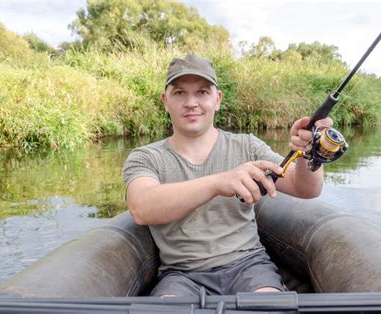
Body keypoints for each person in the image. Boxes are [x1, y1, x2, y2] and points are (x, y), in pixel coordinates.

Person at [123, 54, 332, 297]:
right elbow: (142, 207)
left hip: (249, 266)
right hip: (181, 274)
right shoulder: (145, 157)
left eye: (202, 92)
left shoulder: (248, 146)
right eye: (180, 93)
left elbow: (305, 188)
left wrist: (308, 154)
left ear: (218, 99)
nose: (191, 102)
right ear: (165, 101)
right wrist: (218, 182)